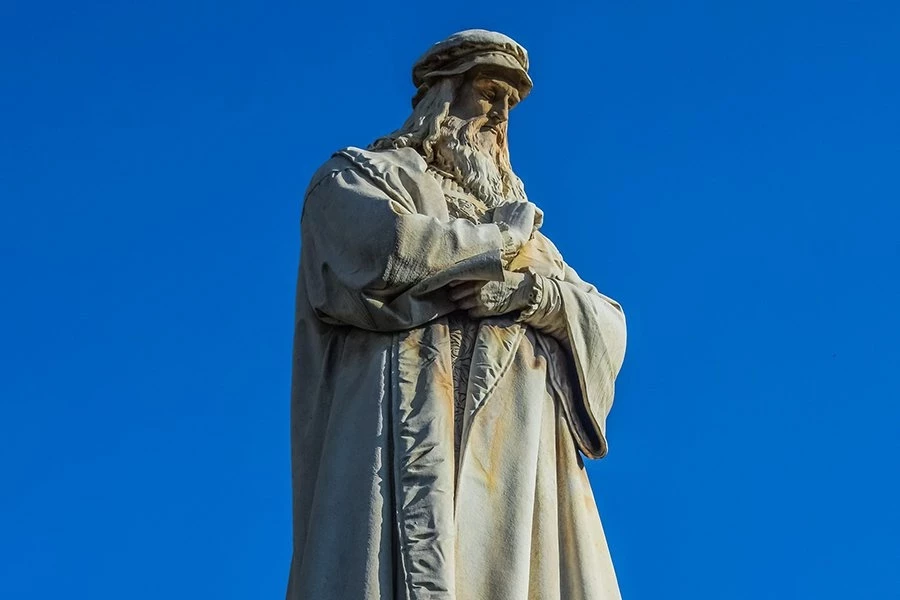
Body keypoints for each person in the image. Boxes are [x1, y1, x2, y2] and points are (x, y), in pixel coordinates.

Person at [287, 29, 627, 600]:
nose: (500, 116)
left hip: (517, 472)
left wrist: (530, 296)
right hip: (399, 446)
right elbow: (388, 253)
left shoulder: (531, 235)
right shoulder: (363, 178)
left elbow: (607, 322)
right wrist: (497, 243)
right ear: (443, 96)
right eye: (489, 93)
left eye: (510, 103)